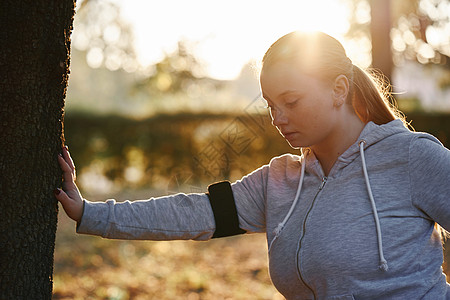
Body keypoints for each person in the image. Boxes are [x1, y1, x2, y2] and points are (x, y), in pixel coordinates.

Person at [55, 31, 450, 299]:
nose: (278, 118)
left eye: (291, 102)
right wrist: (90, 213)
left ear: (339, 89)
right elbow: (194, 213)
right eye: (270, 105)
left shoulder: (412, 158)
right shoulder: (280, 181)